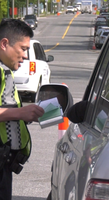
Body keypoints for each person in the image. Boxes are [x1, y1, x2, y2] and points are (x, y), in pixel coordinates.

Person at [0, 18, 44, 200]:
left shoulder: (4, 70)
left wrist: (25, 114)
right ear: (4, 44)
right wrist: (20, 113)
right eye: (23, 49)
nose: (26, 56)